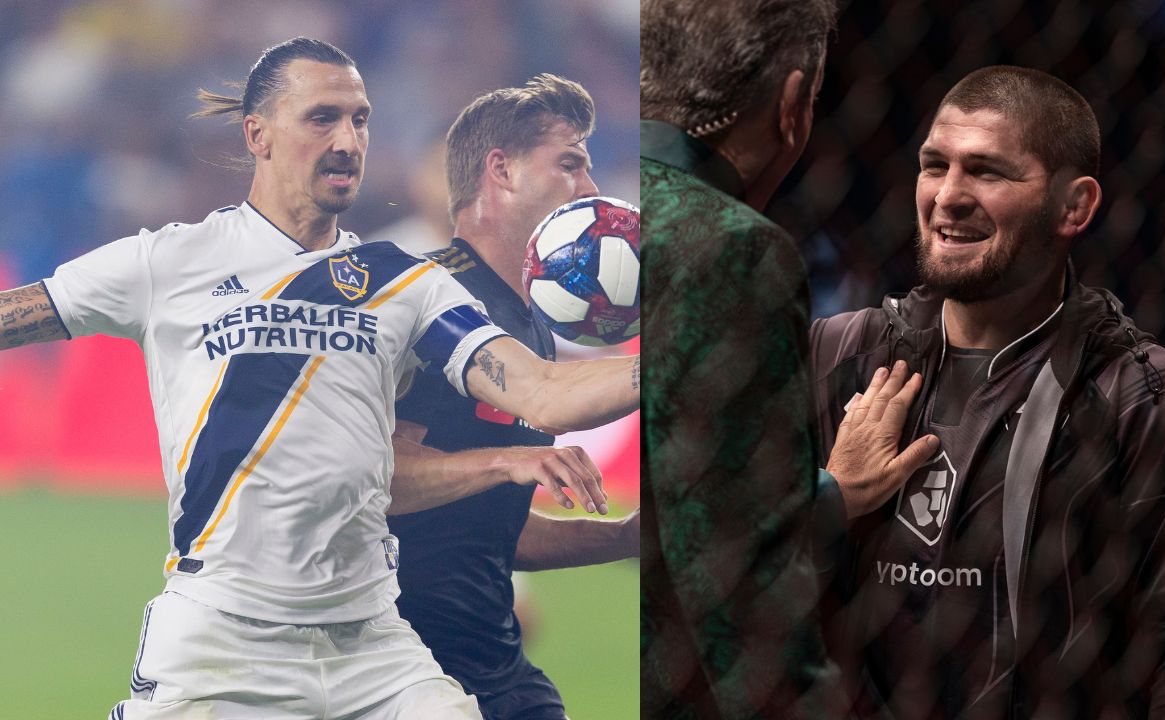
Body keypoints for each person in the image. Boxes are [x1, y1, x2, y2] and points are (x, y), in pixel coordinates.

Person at [0, 37, 639, 719]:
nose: (347, 139)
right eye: (322, 118)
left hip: (372, 647)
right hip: (223, 637)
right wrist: (504, 460)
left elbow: (541, 388)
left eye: (360, 120)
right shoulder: (172, 260)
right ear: (259, 134)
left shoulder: (406, 282)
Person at [810, 66, 1165, 718]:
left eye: (987, 172)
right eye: (935, 165)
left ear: (1076, 206)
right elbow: (728, 568)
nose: (947, 196)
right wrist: (831, 499)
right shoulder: (839, 354)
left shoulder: (1143, 396)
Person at [640, 1, 936, 716]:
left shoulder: (543, 199)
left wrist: (822, 495)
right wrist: (829, 497)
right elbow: (738, 585)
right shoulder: (728, 247)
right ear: (795, 104)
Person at [385, 74, 640, 720]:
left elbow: (497, 529)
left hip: (490, 661)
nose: (589, 188)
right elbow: (374, 480)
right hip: (393, 664)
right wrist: (508, 461)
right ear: (501, 170)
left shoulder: (533, 327)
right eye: (570, 164)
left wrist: (628, 538)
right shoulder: (425, 297)